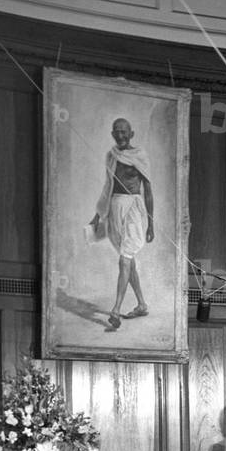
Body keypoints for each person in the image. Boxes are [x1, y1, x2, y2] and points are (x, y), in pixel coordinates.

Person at [89, 117, 154, 331]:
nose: (120, 135)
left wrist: (151, 224)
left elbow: (148, 190)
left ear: (131, 134)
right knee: (129, 259)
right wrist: (97, 216)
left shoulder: (140, 156)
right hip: (115, 209)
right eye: (116, 131)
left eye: (124, 131)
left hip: (134, 209)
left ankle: (115, 310)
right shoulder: (111, 156)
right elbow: (107, 187)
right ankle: (142, 305)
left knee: (125, 259)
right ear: (112, 134)